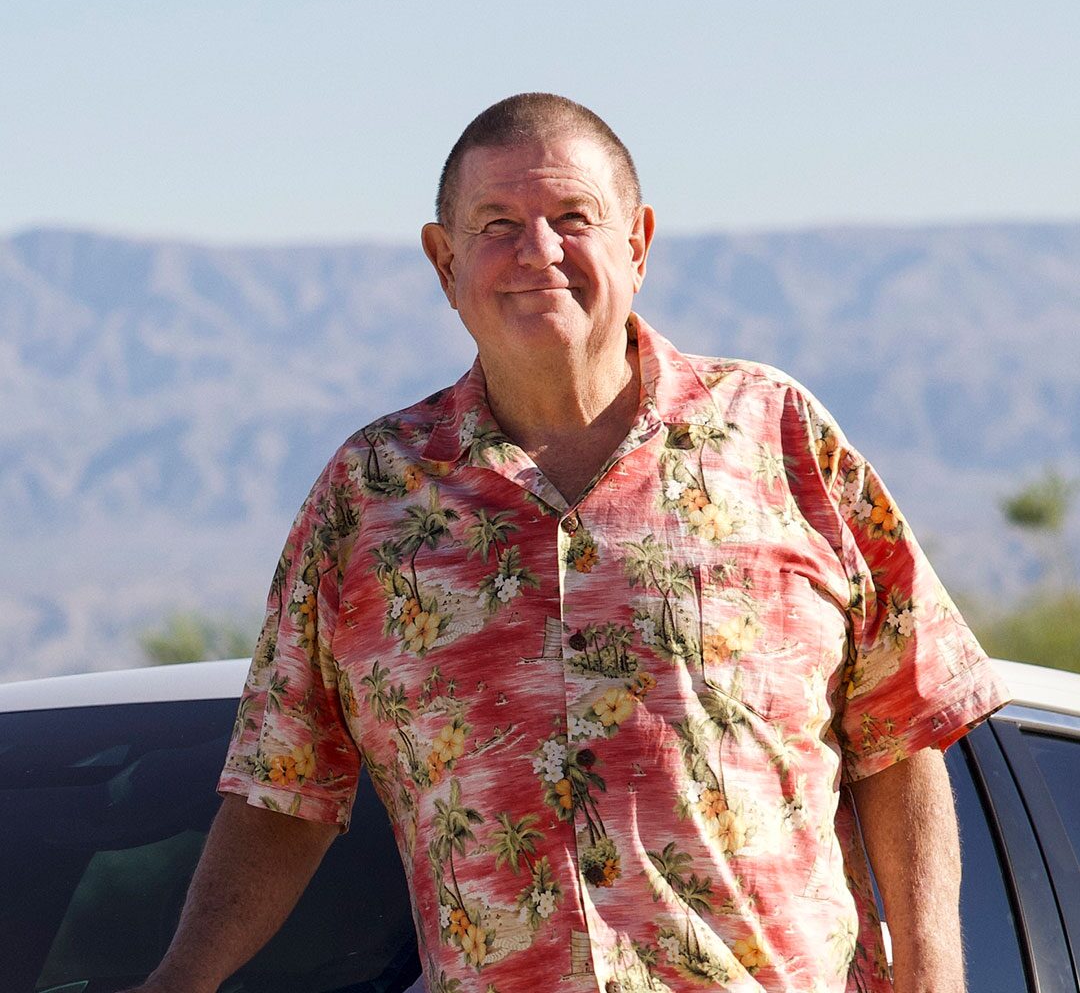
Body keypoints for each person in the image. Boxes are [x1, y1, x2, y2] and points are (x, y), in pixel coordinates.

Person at [128, 93, 1009, 993]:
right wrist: (179, 980)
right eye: (498, 223)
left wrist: (934, 976)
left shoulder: (776, 436)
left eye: (571, 219)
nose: (538, 253)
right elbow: (287, 790)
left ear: (638, 241)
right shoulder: (368, 498)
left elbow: (899, 732)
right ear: (445, 260)